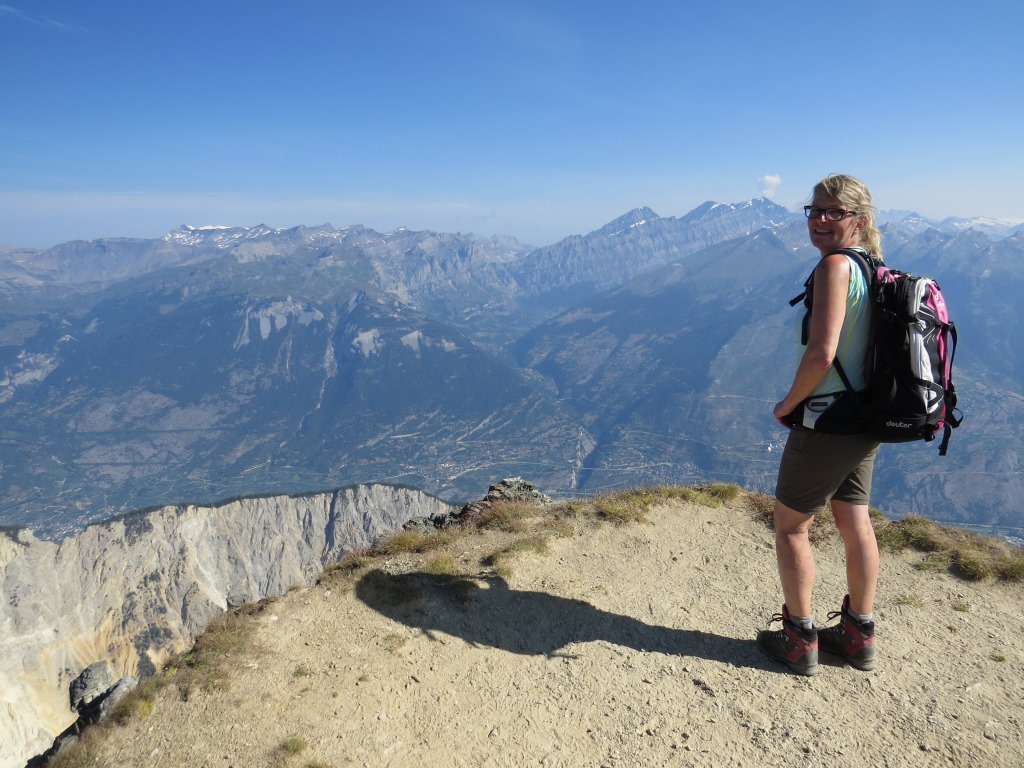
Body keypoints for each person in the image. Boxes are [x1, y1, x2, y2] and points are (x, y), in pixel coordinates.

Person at [756, 174, 882, 676]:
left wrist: (788, 405)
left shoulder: (834, 267)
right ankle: (857, 634)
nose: (821, 219)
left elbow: (821, 354)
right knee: (854, 519)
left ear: (860, 221)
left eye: (835, 211)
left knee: (791, 526)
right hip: (867, 416)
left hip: (828, 418)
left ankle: (798, 637)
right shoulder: (873, 268)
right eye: (815, 210)